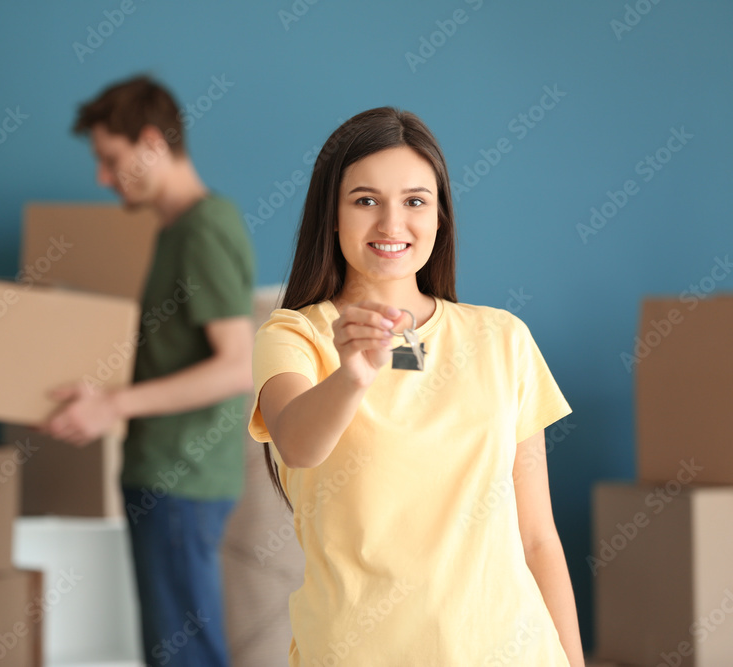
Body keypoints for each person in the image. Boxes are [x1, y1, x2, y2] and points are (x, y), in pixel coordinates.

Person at [248, 107, 585, 666]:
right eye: (365, 200)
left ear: (440, 216)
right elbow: (299, 443)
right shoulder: (294, 335)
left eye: (414, 201)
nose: (391, 225)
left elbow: (537, 539)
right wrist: (355, 371)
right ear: (330, 215)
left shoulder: (504, 339)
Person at [41, 75, 255, 667]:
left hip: (180, 481)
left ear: (153, 142)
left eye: (111, 160)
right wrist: (103, 395)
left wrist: (112, 405)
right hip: (165, 479)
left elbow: (237, 367)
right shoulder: (174, 230)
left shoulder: (204, 228)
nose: (102, 179)